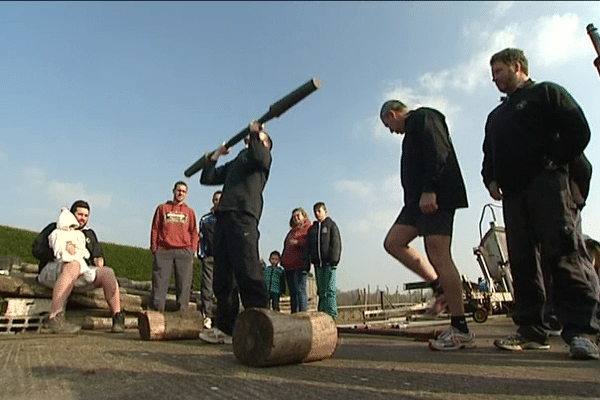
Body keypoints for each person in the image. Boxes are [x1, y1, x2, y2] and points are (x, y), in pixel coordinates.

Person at [482, 48, 599, 360]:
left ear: (517, 66)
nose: (494, 79)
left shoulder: (546, 93)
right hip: (514, 195)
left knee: (563, 253)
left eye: (499, 71)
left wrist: (556, 160)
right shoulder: (495, 117)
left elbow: (579, 130)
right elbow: (487, 156)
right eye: (492, 74)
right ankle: (531, 330)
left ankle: (583, 332)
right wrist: (490, 180)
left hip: (548, 184)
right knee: (521, 261)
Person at [380, 100, 473, 351]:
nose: (391, 131)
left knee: (439, 254)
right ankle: (438, 287)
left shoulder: (424, 117)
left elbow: (439, 150)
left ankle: (460, 327)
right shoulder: (409, 135)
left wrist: (431, 188)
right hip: (414, 205)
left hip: (435, 194)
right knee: (393, 243)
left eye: (389, 125)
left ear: (393, 113)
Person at [198, 120, 273, 344]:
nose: (251, 142)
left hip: (244, 217)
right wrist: (216, 156)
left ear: (265, 144)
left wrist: (257, 132)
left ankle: (262, 326)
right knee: (224, 278)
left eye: (258, 140)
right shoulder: (237, 163)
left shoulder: (262, 159)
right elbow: (207, 178)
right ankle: (226, 329)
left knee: (248, 271)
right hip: (224, 218)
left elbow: (259, 154)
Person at [32, 200, 124, 334]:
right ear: (71, 213)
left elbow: (96, 253)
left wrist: (98, 259)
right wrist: (60, 252)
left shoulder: (89, 234)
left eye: (86, 216)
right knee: (73, 265)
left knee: (108, 273)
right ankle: (54, 318)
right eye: (80, 214)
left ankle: (118, 317)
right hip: (53, 270)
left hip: (79, 273)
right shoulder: (55, 228)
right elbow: (36, 249)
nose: (83, 218)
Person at [150, 181, 198, 312]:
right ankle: (157, 314)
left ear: (186, 194)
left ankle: (181, 316)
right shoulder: (162, 208)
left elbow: (194, 232)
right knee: (159, 284)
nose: (180, 193)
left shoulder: (190, 212)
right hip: (164, 250)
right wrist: (154, 248)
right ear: (173, 191)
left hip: (184, 252)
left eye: (183, 191)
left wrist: (192, 250)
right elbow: (155, 228)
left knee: (184, 286)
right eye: (178, 190)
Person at [305, 202, 341, 320]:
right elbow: (310, 246)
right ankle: (322, 314)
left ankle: (332, 315)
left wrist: (334, 261)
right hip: (318, 264)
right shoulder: (313, 229)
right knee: (321, 291)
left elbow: (336, 244)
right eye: (315, 211)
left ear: (325, 211)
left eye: (319, 211)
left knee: (330, 290)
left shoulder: (331, 226)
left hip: (329, 264)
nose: (317, 213)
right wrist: (312, 259)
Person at [197, 190, 222, 329]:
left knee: (223, 289)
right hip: (209, 258)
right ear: (213, 201)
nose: (218, 202)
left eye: (221, 199)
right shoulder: (205, 219)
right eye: (216, 199)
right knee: (207, 288)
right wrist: (202, 255)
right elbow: (200, 238)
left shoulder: (228, 219)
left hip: (224, 260)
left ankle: (222, 318)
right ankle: (207, 316)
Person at [280, 207, 311, 313]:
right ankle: (294, 314)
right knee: (293, 292)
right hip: (289, 266)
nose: (296, 218)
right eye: (294, 217)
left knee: (300, 290)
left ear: (304, 216)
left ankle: (303, 314)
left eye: (298, 216)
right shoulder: (291, 232)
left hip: (300, 265)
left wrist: (298, 243)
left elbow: (309, 244)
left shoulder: (308, 229)